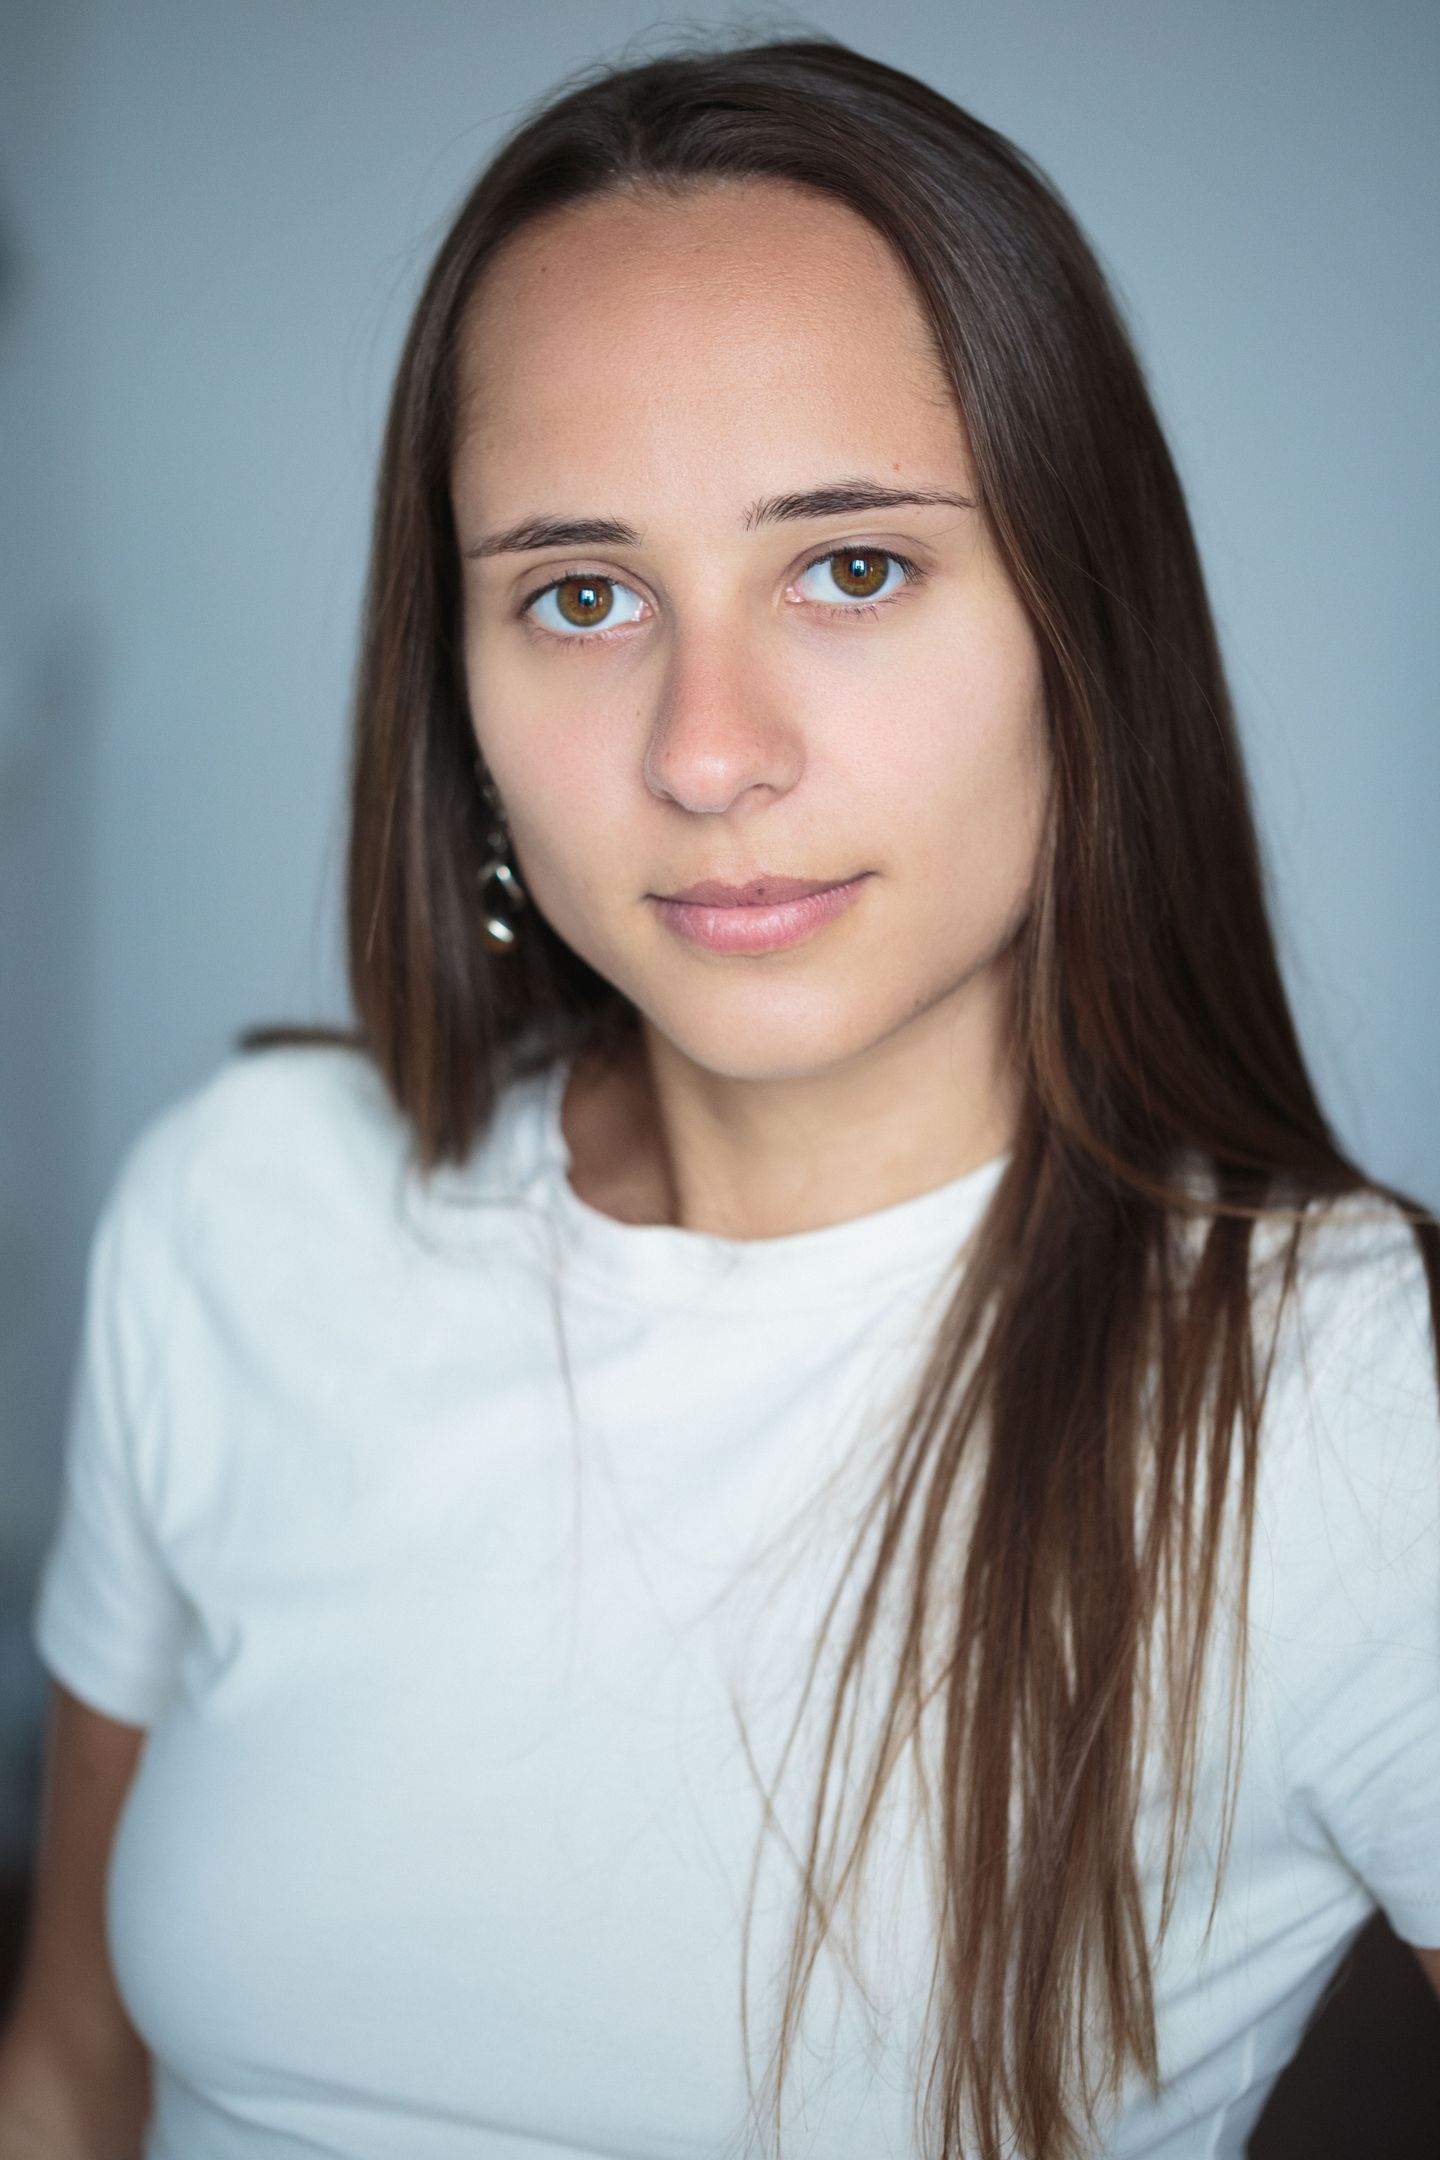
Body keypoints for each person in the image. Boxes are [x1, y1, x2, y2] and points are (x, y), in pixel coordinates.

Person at [2, 31, 1437, 2160]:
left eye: (851, 566)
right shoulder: (245, 1209)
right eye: (581, 596)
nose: (704, 749)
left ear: (1089, 632)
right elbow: (68, 2072)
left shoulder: (1344, 1401)